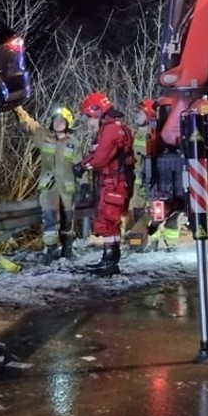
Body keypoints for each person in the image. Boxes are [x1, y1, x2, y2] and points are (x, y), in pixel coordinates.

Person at [73, 91, 135, 277]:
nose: (88, 122)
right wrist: (84, 163)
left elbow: (101, 157)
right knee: (111, 223)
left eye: (88, 117)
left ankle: (109, 262)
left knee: (106, 221)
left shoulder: (109, 129)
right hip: (115, 182)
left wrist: (83, 166)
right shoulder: (114, 127)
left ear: (96, 111)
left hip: (114, 183)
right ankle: (109, 260)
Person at [14, 104, 80, 264]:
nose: (58, 123)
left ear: (68, 123)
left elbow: (80, 167)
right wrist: (17, 109)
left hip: (67, 189)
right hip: (49, 187)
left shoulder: (74, 143)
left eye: (62, 121)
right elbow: (29, 125)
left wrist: (84, 185)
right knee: (49, 218)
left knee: (67, 220)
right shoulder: (44, 136)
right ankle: (50, 249)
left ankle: (67, 249)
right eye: (56, 120)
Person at [125, 99, 157, 251]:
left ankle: (152, 242)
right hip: (137, 180)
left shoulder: (152, 136)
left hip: (147, 180)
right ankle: (137, 241)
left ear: (149, 116)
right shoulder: (136, 134)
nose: (137, 115)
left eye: (141, 113)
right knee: (136, 209)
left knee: (151, 211)